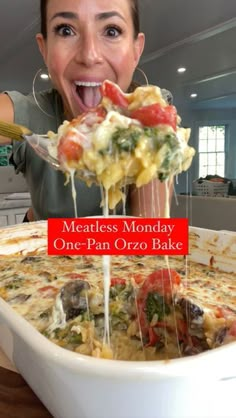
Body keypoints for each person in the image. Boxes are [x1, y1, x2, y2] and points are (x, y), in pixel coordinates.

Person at [0, 0, 169, 221]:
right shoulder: (28, 114)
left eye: (111, 30)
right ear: (45, 48)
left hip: (117, 250)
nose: (89, 56)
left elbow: (150, 237)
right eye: (66, 30)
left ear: (136, 49)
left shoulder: (151, 115)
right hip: (36, 247)